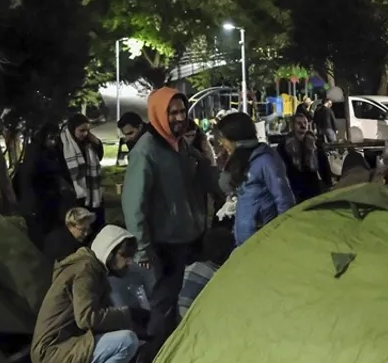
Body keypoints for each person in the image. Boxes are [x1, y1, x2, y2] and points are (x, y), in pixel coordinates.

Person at [121, 87, 217, 349]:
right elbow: (133, 203)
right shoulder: (146, 151)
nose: (179, 117)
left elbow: (204, 174)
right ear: (157, 114)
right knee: (163, 306)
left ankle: (181, 351)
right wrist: (142, 249)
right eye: (172, 112)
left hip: (190, 236)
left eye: (182, 111)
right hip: (165, 244)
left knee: (186, 301)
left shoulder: (181, 145)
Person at [30, 225, 144, 363]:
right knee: (127, 341)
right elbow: (87, 317)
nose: (129, 261)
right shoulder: (86, 270)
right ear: (109, 251)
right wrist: (130, 314)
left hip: (50, 351)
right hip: (52, 354)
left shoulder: (89, 267)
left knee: (128, 336)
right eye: (125, 255)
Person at [217, 111, 296, 247]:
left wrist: (280, 236)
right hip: (245, 241)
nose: (222, 143)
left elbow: (285, 200)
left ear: (236, 138)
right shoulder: (241, 160)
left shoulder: (266, 161)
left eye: (223, 138)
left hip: (263, 241)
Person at [16, 124, 74, 247]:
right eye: (50, 138)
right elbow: (29, 178)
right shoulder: (35, 153)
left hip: (51, 199)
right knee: (39, 233)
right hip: (37, 201)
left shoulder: (54, 151)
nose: (53, 142)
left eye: (55, 138)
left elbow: (62, 169)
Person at [278, 110, 333, 203]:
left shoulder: (315, 142)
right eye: (299, 123)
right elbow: (281, 167)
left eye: (305, 122)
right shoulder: (285, 144)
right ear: (293, 126)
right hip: (294, 186)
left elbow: (324, 164)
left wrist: (328, 184)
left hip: (313, 187)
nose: (303, 125)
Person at [62, 114, 105, 228]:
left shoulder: (89, 142)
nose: (85, 134)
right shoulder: (63, 143)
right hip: (74, 190)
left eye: (87, 130)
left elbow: (99, 157)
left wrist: (97, 144)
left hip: (91, 188)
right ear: (73, 129)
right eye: (82, 130)